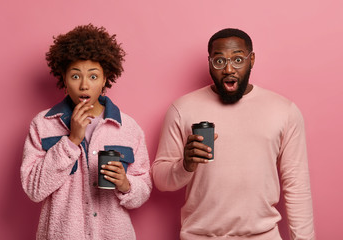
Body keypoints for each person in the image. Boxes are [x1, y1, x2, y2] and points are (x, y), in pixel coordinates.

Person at [152, 28, 315, 239]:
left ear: (252, 59)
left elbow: (297, 186)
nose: (229, 69)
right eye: (219, 61)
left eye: (238, 59)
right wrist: (185, 165)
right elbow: (160, 180)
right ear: (209, 62)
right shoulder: (182, 109)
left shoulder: (284, 110)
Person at [21, 24, 152, 240]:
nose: (84, 85)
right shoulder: (42, 125)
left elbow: (143, 190)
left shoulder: (128, 128)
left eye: (93, 77)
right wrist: (72, 141)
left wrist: (126, 184)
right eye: (75, 76)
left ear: (104, 80)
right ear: (63, 79)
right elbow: (34, 189)